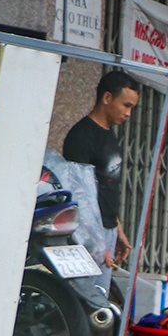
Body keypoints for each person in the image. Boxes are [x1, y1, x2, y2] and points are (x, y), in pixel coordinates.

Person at [61, 70, 140, 266]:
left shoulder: (110, 136)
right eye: (126, 105)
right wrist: (96, 243)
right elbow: (79, 196)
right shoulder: (81, 137)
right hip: (88, 232)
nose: (128, 114)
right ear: (107, 97)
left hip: (107, 229)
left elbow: (106, 189)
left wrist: (117, 230)